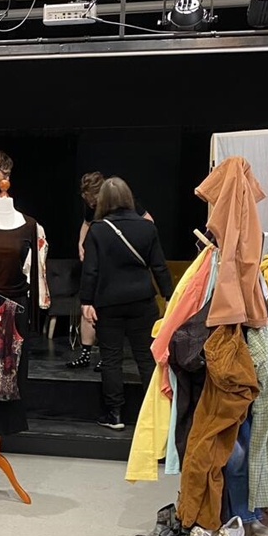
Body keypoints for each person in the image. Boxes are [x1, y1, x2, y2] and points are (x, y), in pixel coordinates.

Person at [79, 177, 173, 431]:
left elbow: (91, 270)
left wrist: (86, 301)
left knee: (111, 359)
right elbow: (159, 267)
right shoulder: (147, 229)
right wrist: (169, 295)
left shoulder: (98, 229)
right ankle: (153, 416)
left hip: (108, 303)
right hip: (143, 301)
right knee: (146, 358)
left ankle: (115, 414)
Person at [70, 171, 154, 369]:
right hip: (99, 259)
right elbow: (86, 223)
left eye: (91, 198)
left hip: (117, 266)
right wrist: (81, 243)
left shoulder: (123, 202)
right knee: (88, 303)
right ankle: (85, 353)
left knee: (106, 310)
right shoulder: (90, 205)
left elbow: (148, 222)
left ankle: (106, 355)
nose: (89, 203)